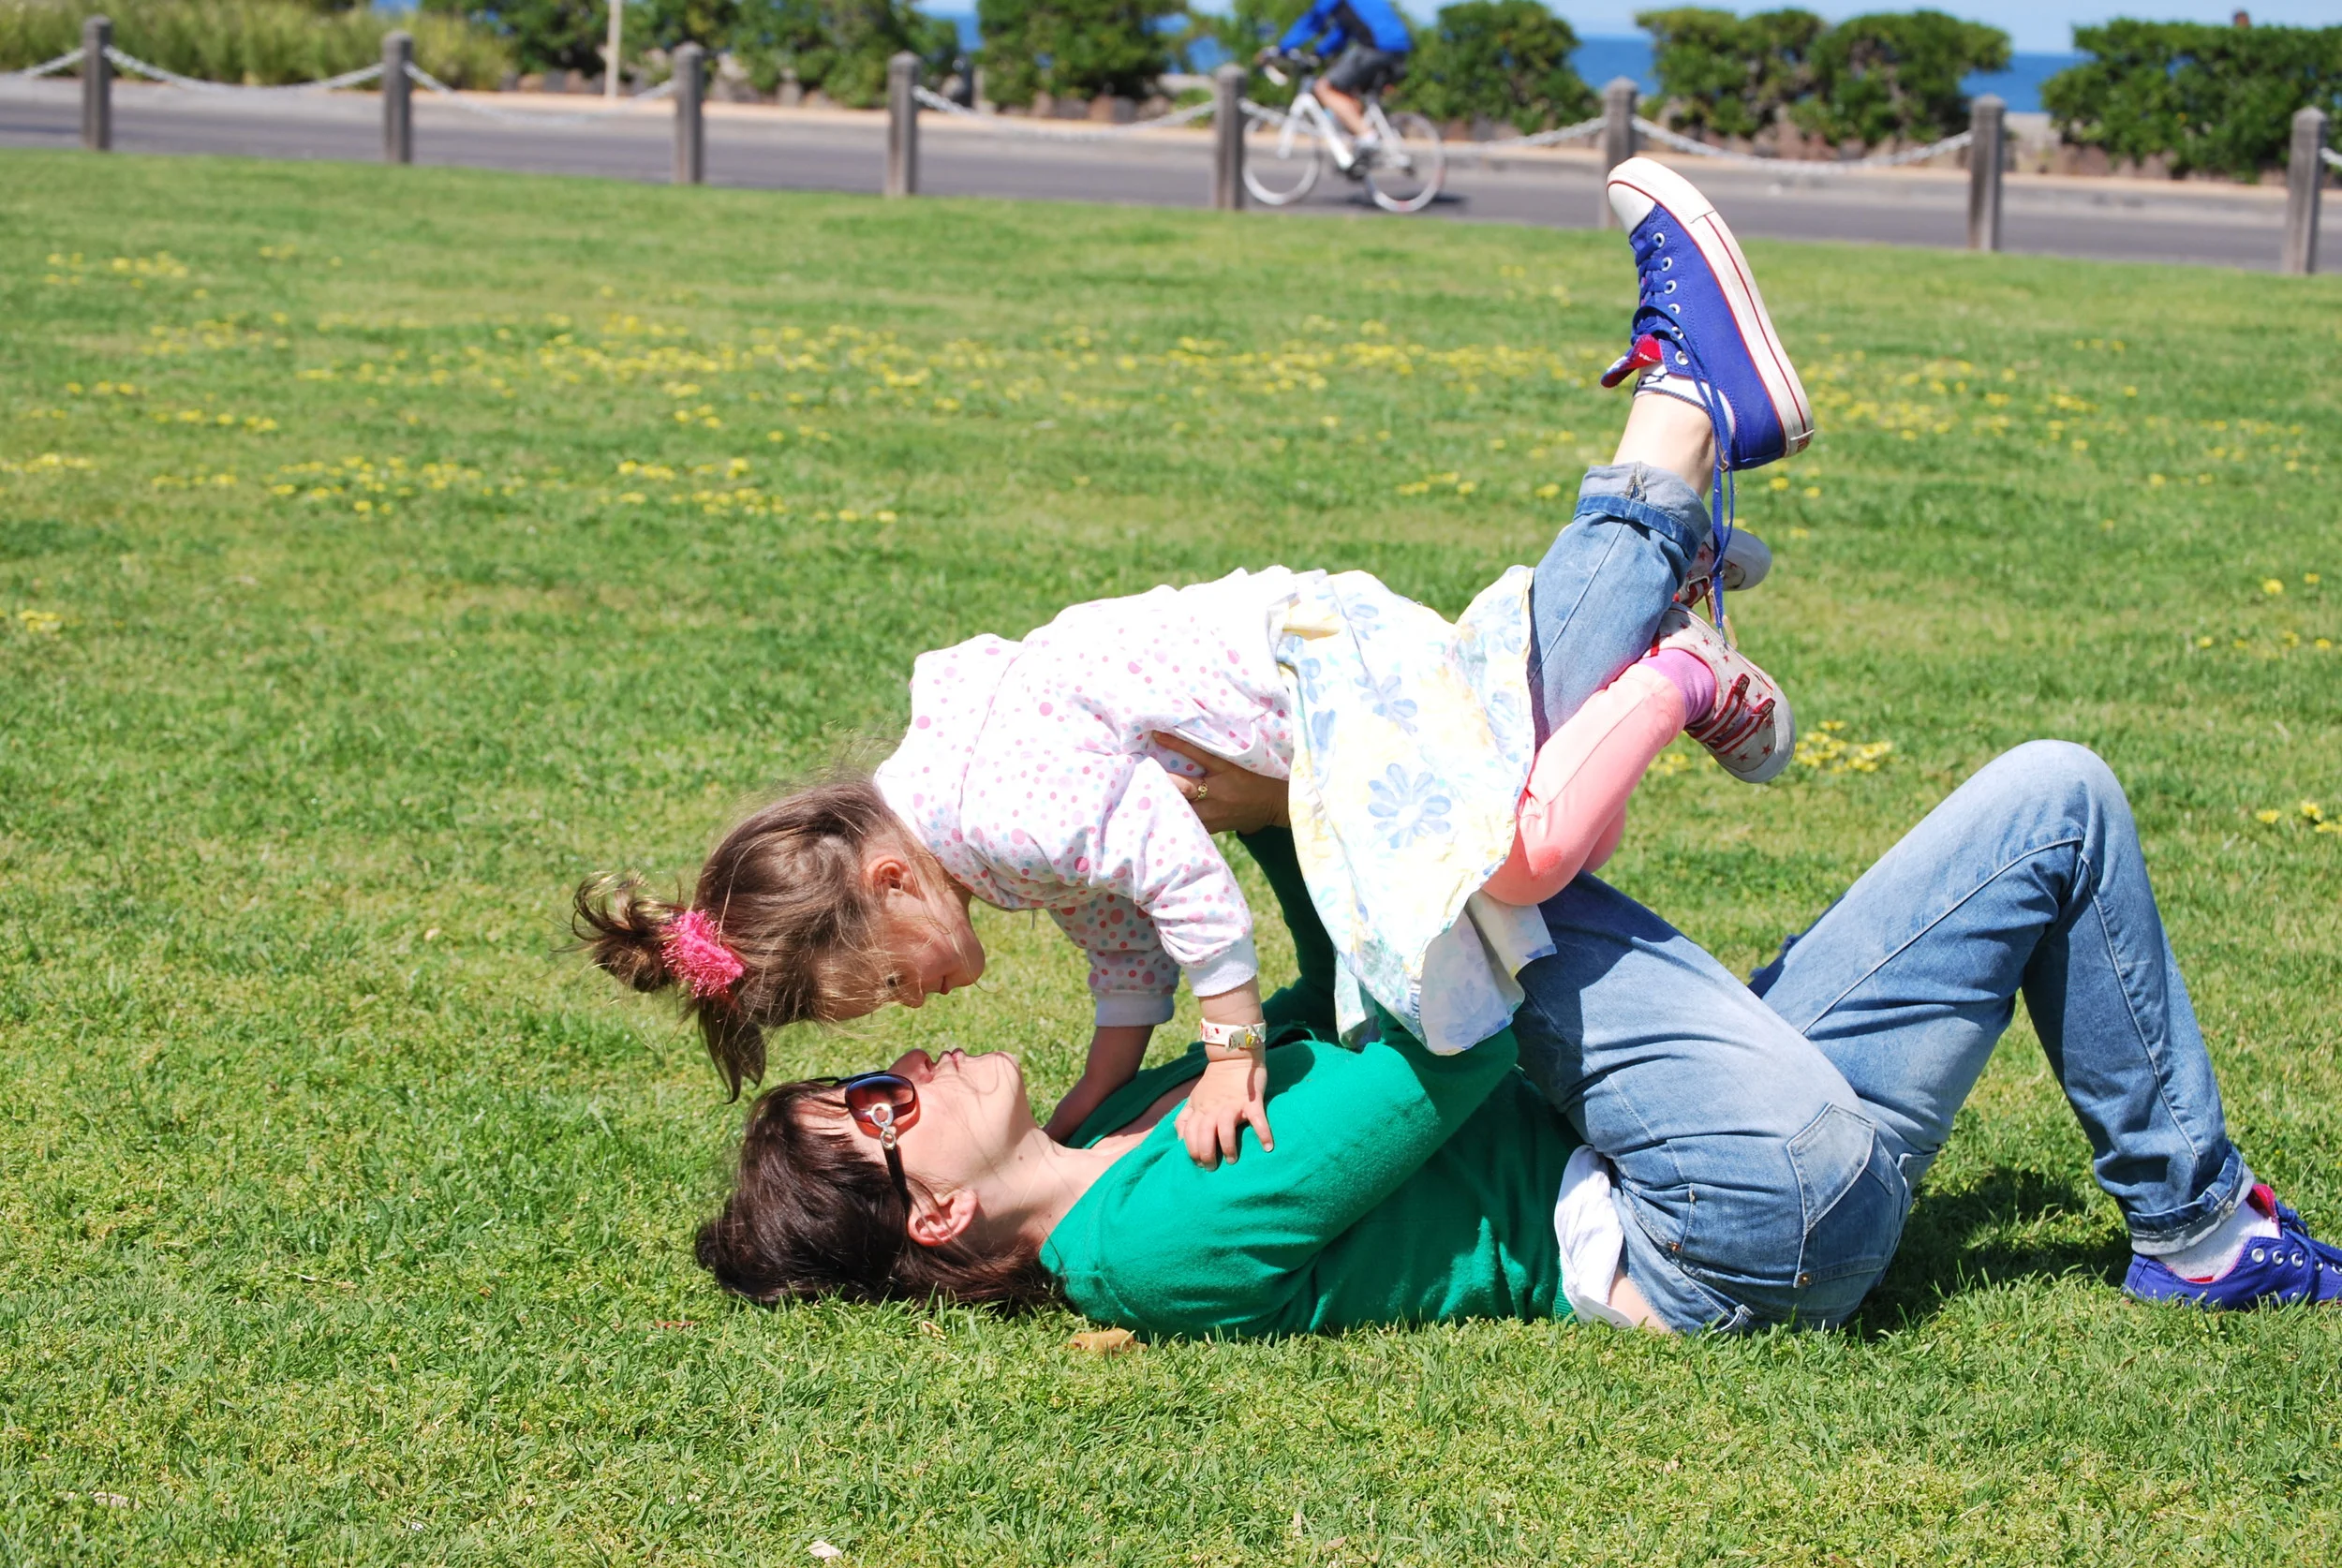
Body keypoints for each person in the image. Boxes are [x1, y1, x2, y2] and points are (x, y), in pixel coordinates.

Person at [575, 158, 1815, 1176]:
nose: (917, 1005)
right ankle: (1667, 572)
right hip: (1305, 682)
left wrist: (1231, 1050)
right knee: (1519, 760)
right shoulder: (976, 827)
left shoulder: (992, 806)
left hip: (1317, 677)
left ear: (892, 878)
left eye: (891, 981)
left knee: (1514, 832)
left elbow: (1176, 875)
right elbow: (1123, 938)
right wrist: (1099, 1090)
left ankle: (1680, 431)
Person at [695, 733, 2342, 1333]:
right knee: (1486, 861)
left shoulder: (1180, 1098)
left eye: (873, 1065)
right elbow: (1457, 1034)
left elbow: (1352, 968)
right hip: (1727, 1223)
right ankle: (1661, 472)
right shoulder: (1152, 1238)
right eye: (879, 1101)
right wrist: (1326, 789)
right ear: (932, 1209)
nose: (906, 1064)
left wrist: (1282, 812)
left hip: (1716, 1137)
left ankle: (2195, 1226)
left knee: (2054, 797)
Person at [1261, 0, 1416, 168]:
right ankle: (1359, 146)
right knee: (1345, 93)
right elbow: (1342, 32)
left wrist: (1282, 48)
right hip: (1398, 48)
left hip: (1376, 47)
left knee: (1324, 88)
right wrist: (1319, 53)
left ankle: (1367, 136)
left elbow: (1313, 20)